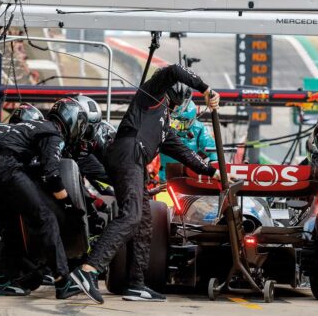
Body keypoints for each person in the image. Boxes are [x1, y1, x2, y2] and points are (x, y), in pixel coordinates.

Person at [69, 64, 221, 304]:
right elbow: (173, 70)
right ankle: (88, 270)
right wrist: (206, 88)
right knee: (131, 216)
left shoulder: (164, 127)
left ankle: (136, 284)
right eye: (174, 102)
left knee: (144, 223)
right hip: (127, 155)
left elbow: (184, 153)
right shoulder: (150, 97)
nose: (174, 107)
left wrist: (212, 171)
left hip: (135, 163)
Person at [0, 98, 88, 298]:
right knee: (46, 218)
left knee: (11, 225)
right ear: (72, 121)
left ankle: (4, 281)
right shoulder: (53, 132)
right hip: (6, 165)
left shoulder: (34, 125)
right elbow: (51, 175)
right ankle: (63, 281)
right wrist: (68, 204)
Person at [159, 100, 217, 182]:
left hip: (191, 179)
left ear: (193, 120)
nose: (180, 127)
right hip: (164, 179)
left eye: (185, 123)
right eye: (177, 123)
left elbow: (212, 149)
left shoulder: (199, 128)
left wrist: (214, 163)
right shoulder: (163, 128)